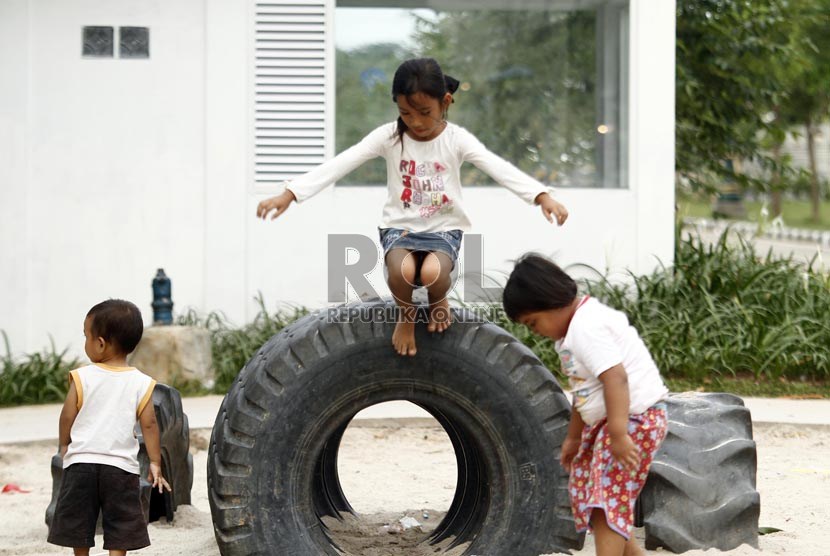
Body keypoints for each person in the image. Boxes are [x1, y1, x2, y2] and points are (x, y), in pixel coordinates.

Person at [256, 57, 569, 357]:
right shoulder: (390, 137)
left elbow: (497, 167)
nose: (416, 122)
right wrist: (290, 193)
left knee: (433, 273)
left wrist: (541, 196)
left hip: (443, 231)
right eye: (406, 113)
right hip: (400, 230)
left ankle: (438, 301)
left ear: (445, 102)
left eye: (424, 111)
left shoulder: (457, 140)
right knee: (402, 271)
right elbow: (343, 162)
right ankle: (406, 318)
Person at [502, 254, 669, 556]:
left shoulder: (585, 327)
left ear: (550, 301)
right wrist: (575, 436)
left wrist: (618, 434)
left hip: (634, 420)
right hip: (613, 422)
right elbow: (584, 391)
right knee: (593, 493)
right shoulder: (568, 336)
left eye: (533, 322)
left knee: (606, 500)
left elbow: (615, 378)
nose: (534, 331)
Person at [47, 299, 171, 556]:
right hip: (120, 468)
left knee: (79, 520)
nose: (85, 343)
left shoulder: (82, 377)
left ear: (100, 343)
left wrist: (64, 444)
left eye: (86, 336)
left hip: (81, 464)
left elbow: (66, 415)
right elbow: (149, 424)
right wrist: (156, 462)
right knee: (121, 522)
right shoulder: (141, 383)